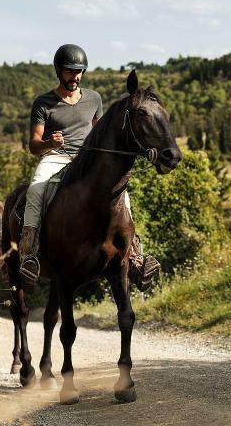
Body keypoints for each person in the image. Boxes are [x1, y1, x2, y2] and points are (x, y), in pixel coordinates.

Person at [19, 44, 160, 290]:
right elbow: (33, 145)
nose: (74, 76)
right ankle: (28, 254)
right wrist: (49, 143)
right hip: (56, 157)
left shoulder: (94, 98)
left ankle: (135, 255)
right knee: (34, 191)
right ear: (58, 71)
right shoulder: (43, 102)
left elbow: (100, 132)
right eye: (69, 71)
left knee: (122, 195)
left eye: (78, 71)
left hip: (88, 161)